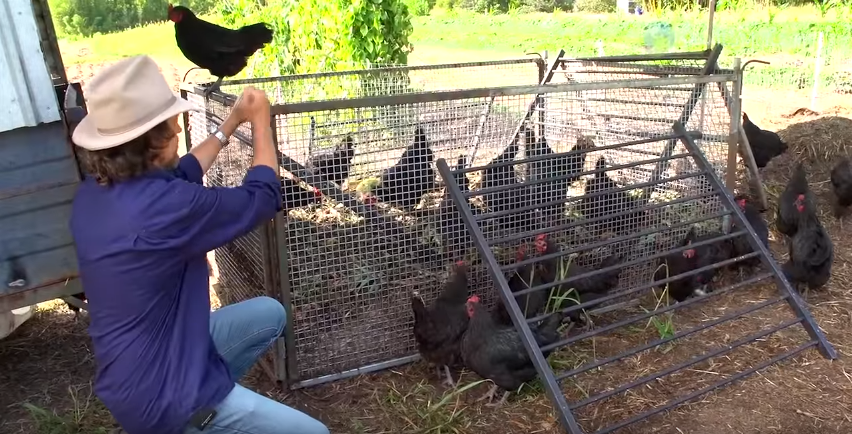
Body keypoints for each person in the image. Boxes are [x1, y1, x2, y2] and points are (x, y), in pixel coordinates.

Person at [69, 55, 330, 434]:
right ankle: (203, 420)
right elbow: (262, 196)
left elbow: (185, 170)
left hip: (141, 367)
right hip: (167, 398)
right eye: (175, 130)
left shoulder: (97, 191)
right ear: (151, 145)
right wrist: (260, 122)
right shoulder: (164, 209)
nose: (180, 133)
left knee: (268, 314)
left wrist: (231, 122)